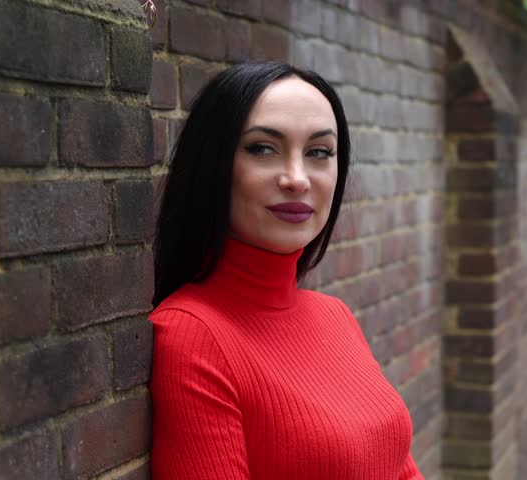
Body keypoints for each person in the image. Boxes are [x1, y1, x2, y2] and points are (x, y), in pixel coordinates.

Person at [149, 61, 424, 480]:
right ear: (214, 165)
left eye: (319, 152)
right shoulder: (193, 336)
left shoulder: (334, 316)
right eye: (262, 148)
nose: (297, 179)